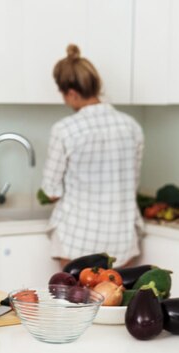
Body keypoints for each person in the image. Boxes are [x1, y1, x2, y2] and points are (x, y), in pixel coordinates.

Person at [41, 44, 144, 269]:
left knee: (76, 304)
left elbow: (51, 191)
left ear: (72, 93)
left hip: (77, 241)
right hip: (121, 241)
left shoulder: (65, 129)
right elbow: (131, 184)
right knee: (119, 303)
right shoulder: (131, 127)